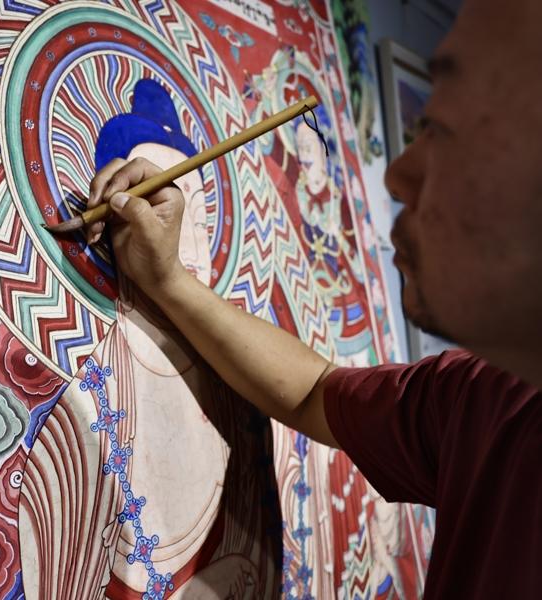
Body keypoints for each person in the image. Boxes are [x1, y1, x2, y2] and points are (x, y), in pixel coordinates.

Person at [83, 0, 542, 597]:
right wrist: (168, 280)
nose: (397, 175)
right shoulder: (486, 400)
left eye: (444, 129)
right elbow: (313, 392)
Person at [19, 79, 281, 600]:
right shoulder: (82, 412)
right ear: (117, 219)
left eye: (198, 212)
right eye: (161, 205)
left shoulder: (246, 408)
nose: (192, 235)